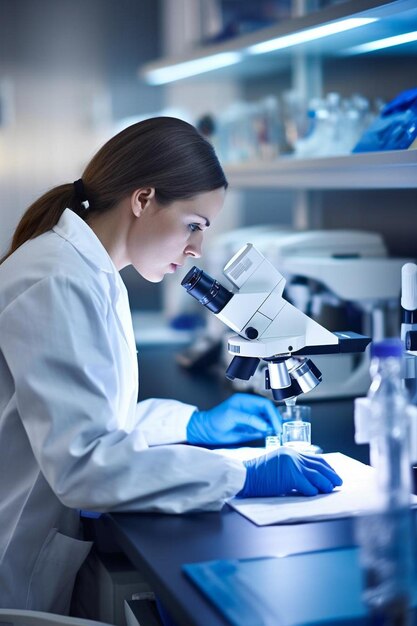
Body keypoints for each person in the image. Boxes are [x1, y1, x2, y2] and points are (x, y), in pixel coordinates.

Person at [0, 117, 342, 615]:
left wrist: (194, 423)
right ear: (143, 200)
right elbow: (83, 465)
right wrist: (238, 475)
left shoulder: (88, 271)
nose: (196, 249)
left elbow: (90, 417)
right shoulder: (58, 279)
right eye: (194, 224)